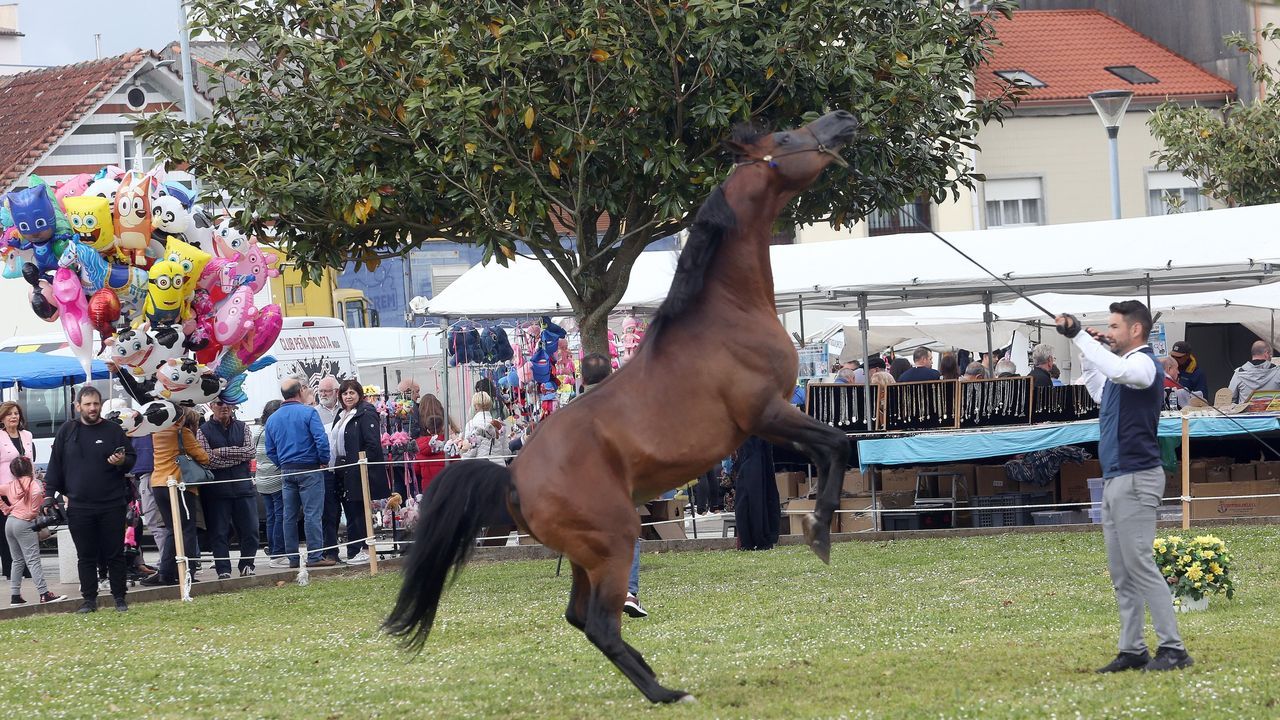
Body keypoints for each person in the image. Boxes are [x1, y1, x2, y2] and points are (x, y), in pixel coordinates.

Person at [1057, 301, 1192, 672]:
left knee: (1140, 564)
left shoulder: (1143, 365)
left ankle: (1174, 649)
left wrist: (1082, 335)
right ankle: (1132, 648)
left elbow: (1117, 369)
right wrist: (1087, 344)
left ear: (1135, 330)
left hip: (1137, 477)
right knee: (1121, 571)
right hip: (1117, 478)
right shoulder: (1119, 372)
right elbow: (1098, 382)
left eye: (1114, 327)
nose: (1109, 332)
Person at [43, 386, 136, 613]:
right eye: (87, 404)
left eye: (96, 404)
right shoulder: (67, 431)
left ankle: (119, 598)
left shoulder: (113, 430)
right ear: (78, 406)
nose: (92, 408)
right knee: (85, 555)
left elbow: (132, 458)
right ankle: (89, 600)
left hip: (112, 503)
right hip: (79, 505)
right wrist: (49, 495)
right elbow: (55, 463)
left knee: (115, 553)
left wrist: (121, 462)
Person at [264, 377, 333, 568]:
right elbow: (321, 440)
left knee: (289, 516)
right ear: (300, 392)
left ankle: (293, 558)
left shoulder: (272, 419)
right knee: (312, 514)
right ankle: (314, 556)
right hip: (310, 469)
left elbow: (270, 449)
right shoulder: (308, 413)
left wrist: (282, 463)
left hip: (287, 471)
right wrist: (323, 460)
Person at [142, 407, 208, 587]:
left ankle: (165, 572)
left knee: (172, 530)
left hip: (158, 484)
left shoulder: (156, 432)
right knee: (187, 530)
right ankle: (186, 570)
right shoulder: (183, 433)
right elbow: (203, 457)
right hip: (178, 484)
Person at [198, 400, 260, 579]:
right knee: (219, 532)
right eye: (219, 403)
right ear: (211, 405)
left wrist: (221, 452)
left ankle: (247, 563)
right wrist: (237, 454)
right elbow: (208, 459)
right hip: (217, 490)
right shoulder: (203, 430)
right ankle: (223, 569)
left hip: (243, 487)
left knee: (250, 530)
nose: (224, 407)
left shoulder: (243, 427)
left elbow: (250, 452)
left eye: (227, 403)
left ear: (233, 406)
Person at [328, 379, 383, 564]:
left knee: (358, 510)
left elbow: (373, 444)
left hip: (358, 467)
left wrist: (361, 462)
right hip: (342, 467)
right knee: (349, 510)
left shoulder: (366, 413)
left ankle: (363, 549)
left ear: (359, 394)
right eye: (345, 393)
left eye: (352, 392)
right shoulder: (341, 414)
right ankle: (353, 550)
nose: (348, 396)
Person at [2, 456, 64, 605]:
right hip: (24, 523)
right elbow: (36, 497)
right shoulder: (34, 484)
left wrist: (5, 508)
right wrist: (32, 513)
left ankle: (15, 595)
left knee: (17, 560)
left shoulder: (11, 484)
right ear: (30, 468)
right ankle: (44, 594)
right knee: (33, 560)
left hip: (10, 522)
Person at [0, 400, 34, 582]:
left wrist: (35, 487)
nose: (13, 416)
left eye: (16, 413)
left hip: (26, 490)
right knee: (8, 531)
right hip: (5, 491)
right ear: (2, 418)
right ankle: (11, 569)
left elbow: (31, 463)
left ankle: (28, 568)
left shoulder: (27, 435)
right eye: (9, 414)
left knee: (26, 529)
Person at [731, 436, 781, 552]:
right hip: (755, 455)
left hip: (753, 455)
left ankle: (754, 538)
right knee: (756, 494)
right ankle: (758, 537)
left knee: (752, 496)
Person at [255, 400, 287, 568]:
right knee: (280, 515)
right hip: (275, 477)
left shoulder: (258, 431)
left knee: (271, 517)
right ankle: (278, 553)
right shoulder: (274, 430)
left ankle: (274, 549)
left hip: (262, 478)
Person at [459, 392, 511, 461]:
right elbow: (506, 453)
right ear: (489, 405)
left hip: (480, 466)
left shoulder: (471, 424)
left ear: (475, 406)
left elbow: (468, 449)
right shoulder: (498, 424)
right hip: (499, 465)